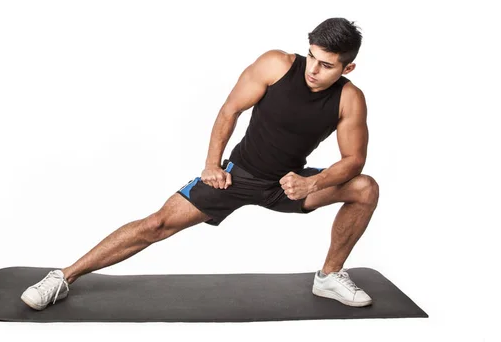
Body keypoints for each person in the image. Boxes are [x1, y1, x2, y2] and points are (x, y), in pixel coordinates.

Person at [21, 17, 379, 310]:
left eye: (327, 64)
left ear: (349, 66)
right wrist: (212, 164)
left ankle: (329, 277)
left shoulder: (349, 99)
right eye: (312, 56)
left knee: (365, 188)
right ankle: (64, 277)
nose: (313, 69)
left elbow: (354, 162)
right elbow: (230, 109)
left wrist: (310, 184)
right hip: (236, 176)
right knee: (157, 223)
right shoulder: (277, 65)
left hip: (287, 184)